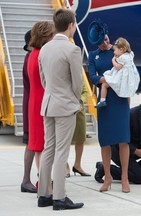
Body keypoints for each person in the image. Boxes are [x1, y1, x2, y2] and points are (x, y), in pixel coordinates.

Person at [37, 9, 84, 210]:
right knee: (61, 152)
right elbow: (77, 83)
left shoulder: (44, 49)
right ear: (71, 25)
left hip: (48, 104)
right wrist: (75, 101)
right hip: (65, 106)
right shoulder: (72, 50)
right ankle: (59, 197)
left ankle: (44, 195)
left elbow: (43, 80)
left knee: (48, 149)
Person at [88, 19, 130, 193]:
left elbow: (129, 70)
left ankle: (125, 178)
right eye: (102, 42)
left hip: (120, 98)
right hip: (104, 100)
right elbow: (92, 76)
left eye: (106, 39)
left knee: (123, 140)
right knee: (105, 141)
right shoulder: (93, 55)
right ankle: (107, 176)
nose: (106, 43)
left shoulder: (120, 51)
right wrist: (106, 80)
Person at [94, 87, 141, 184]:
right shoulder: (131, 114)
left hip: (135, 147)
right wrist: (136, 151)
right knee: (139, 179)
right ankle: (104, 168)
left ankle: (137, 173)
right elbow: (118, 139)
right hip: (119, 150)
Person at [27, 21, 55, 182]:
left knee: (39, 144)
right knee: (45, 143)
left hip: (35, 100)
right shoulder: (42, 54)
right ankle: (45, 180)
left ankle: (43, 178)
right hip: (43, 100)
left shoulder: (33, 54)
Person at [96, 37, 140, 108]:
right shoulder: (130, 55)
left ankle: (102, 100)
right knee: (127, 93)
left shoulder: (122, 58)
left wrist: (113, 60)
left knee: (104, 84)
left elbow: (118, 67)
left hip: (121, 77)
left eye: (115, 50)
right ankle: (127, 106)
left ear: (121, 49)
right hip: (129, 78)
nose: (114, 52)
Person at [20, 29, 37, 193]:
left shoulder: (28, 57)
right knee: (32, 144)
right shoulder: (31, 58)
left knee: (31, 144)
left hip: (29, 103)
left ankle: (27, 179)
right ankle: (26, 179)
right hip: (32, 105)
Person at [66, 84, 91, 178]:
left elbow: (84, 91)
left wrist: (80, 102)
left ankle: (77, 165)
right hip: (66, 109)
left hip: (79, 110)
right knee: (65, 140)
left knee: (81, 138)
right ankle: (65, 166)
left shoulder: (79, 72)